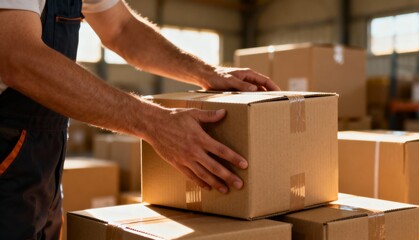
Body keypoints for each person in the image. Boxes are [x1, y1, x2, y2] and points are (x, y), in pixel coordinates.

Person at [0, 0, 280, 239]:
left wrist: (207, 72)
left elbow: (122, 28)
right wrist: (154, 122)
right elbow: (17, 55)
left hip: (43, 155)